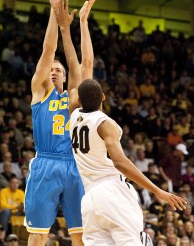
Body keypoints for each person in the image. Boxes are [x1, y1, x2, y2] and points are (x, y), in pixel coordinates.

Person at [69, 79, 187, 246]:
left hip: (89, 198)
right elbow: (120, 163)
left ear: (79, 100)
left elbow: (76, 82)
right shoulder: (104, 123)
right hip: (112, 191)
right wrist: (157, 190)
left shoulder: (73, 117)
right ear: (103, 97)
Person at [24, 0, 96, 246]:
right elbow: (48, 50)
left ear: (65, 78)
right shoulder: (40, 93)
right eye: (51, 69)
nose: (53, 70)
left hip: (74, 164)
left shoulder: (74, 98)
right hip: (46, 162)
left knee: (80, 234)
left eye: (59, 69)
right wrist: (55, 15)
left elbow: (84, 64)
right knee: (38, 233)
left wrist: (80, 25)